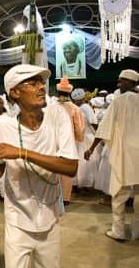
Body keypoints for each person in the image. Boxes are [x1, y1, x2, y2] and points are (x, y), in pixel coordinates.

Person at [0, 64, 78, 268]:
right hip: (17, 217)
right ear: (15, 92)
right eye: (33, 83)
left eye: (42, 82)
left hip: (49, 216)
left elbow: (70, 167)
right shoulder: (2, 125)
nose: (41, 87)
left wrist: (21, 153)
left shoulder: (57, 115)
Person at [85, 69, 139, 241]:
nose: (118, 84)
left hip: (124, 153)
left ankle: (119, 231)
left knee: (120, 193)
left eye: (121, 81)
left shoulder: (119, 101)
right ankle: (138, 231)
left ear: (131, 83)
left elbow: (104, 128)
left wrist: (91, 148)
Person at [56, 77, 85, 205]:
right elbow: (79, 127)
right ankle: (66, 197)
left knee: (54, 167)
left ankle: (54, 195)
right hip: (69, 141)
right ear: (69, 93)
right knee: (67, 169)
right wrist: (79, 138)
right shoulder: (74, 108)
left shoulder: (52, 107)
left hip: (54, 141)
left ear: (58, 93)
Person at [71, 88, 98, 190]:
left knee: (79, 160)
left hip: (77, 138)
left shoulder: (74, 108)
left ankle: (76, 183)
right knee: (87, 160)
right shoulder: (86, 107)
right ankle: (86, 184)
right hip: (87, 137)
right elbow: (94, 123)